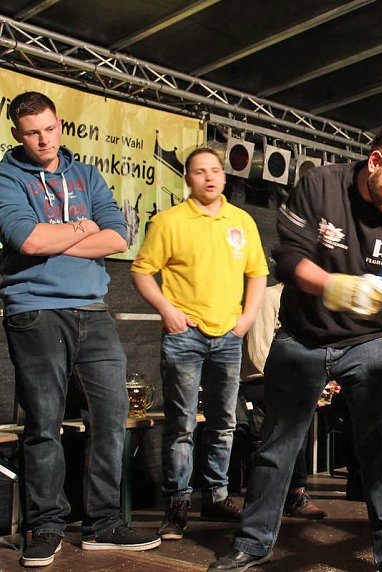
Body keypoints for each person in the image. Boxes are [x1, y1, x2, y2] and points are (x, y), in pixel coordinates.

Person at [208, 120, 382, 572]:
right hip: (302, 336)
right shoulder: (321, 186)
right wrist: (334, 286)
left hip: (368, 342)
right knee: (278, 446)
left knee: (380, 446)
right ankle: (252, 543)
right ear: (375, 160)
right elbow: (287, 258)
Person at [0, 91, 161, 567]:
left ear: (60, 125)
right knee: (44, 425)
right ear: (17, 134)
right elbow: (25, 238)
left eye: (49, 128)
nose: (43, 138)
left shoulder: (86, 174)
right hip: (34, 310)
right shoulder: (7, 176)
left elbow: (117, 235)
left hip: (93, 309)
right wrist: (80, 228)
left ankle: (103, 523)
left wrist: (58, 237)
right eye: (32, 132)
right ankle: (46, 526)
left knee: (112, 418)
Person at [130, 147, 268, 540]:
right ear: (187, 179)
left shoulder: (241, 220)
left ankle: (217, 495)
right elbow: (141, 272)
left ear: (224, 177)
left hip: (227, 336)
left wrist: (246, 319)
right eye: (199, 172)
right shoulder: (169, 221)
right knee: (182, 424)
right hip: (184, 336)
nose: (209, 177)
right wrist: (166, 310)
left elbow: (257, 273)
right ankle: (177, 503)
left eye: (215, 171)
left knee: (225, 422)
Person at [240, 282, 327, 519]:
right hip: (262, 381)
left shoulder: (308, 300)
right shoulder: (270, 297)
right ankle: (293, 495)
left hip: (290, 380)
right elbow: (259, 353)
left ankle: (288, 495)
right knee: (290, 425)